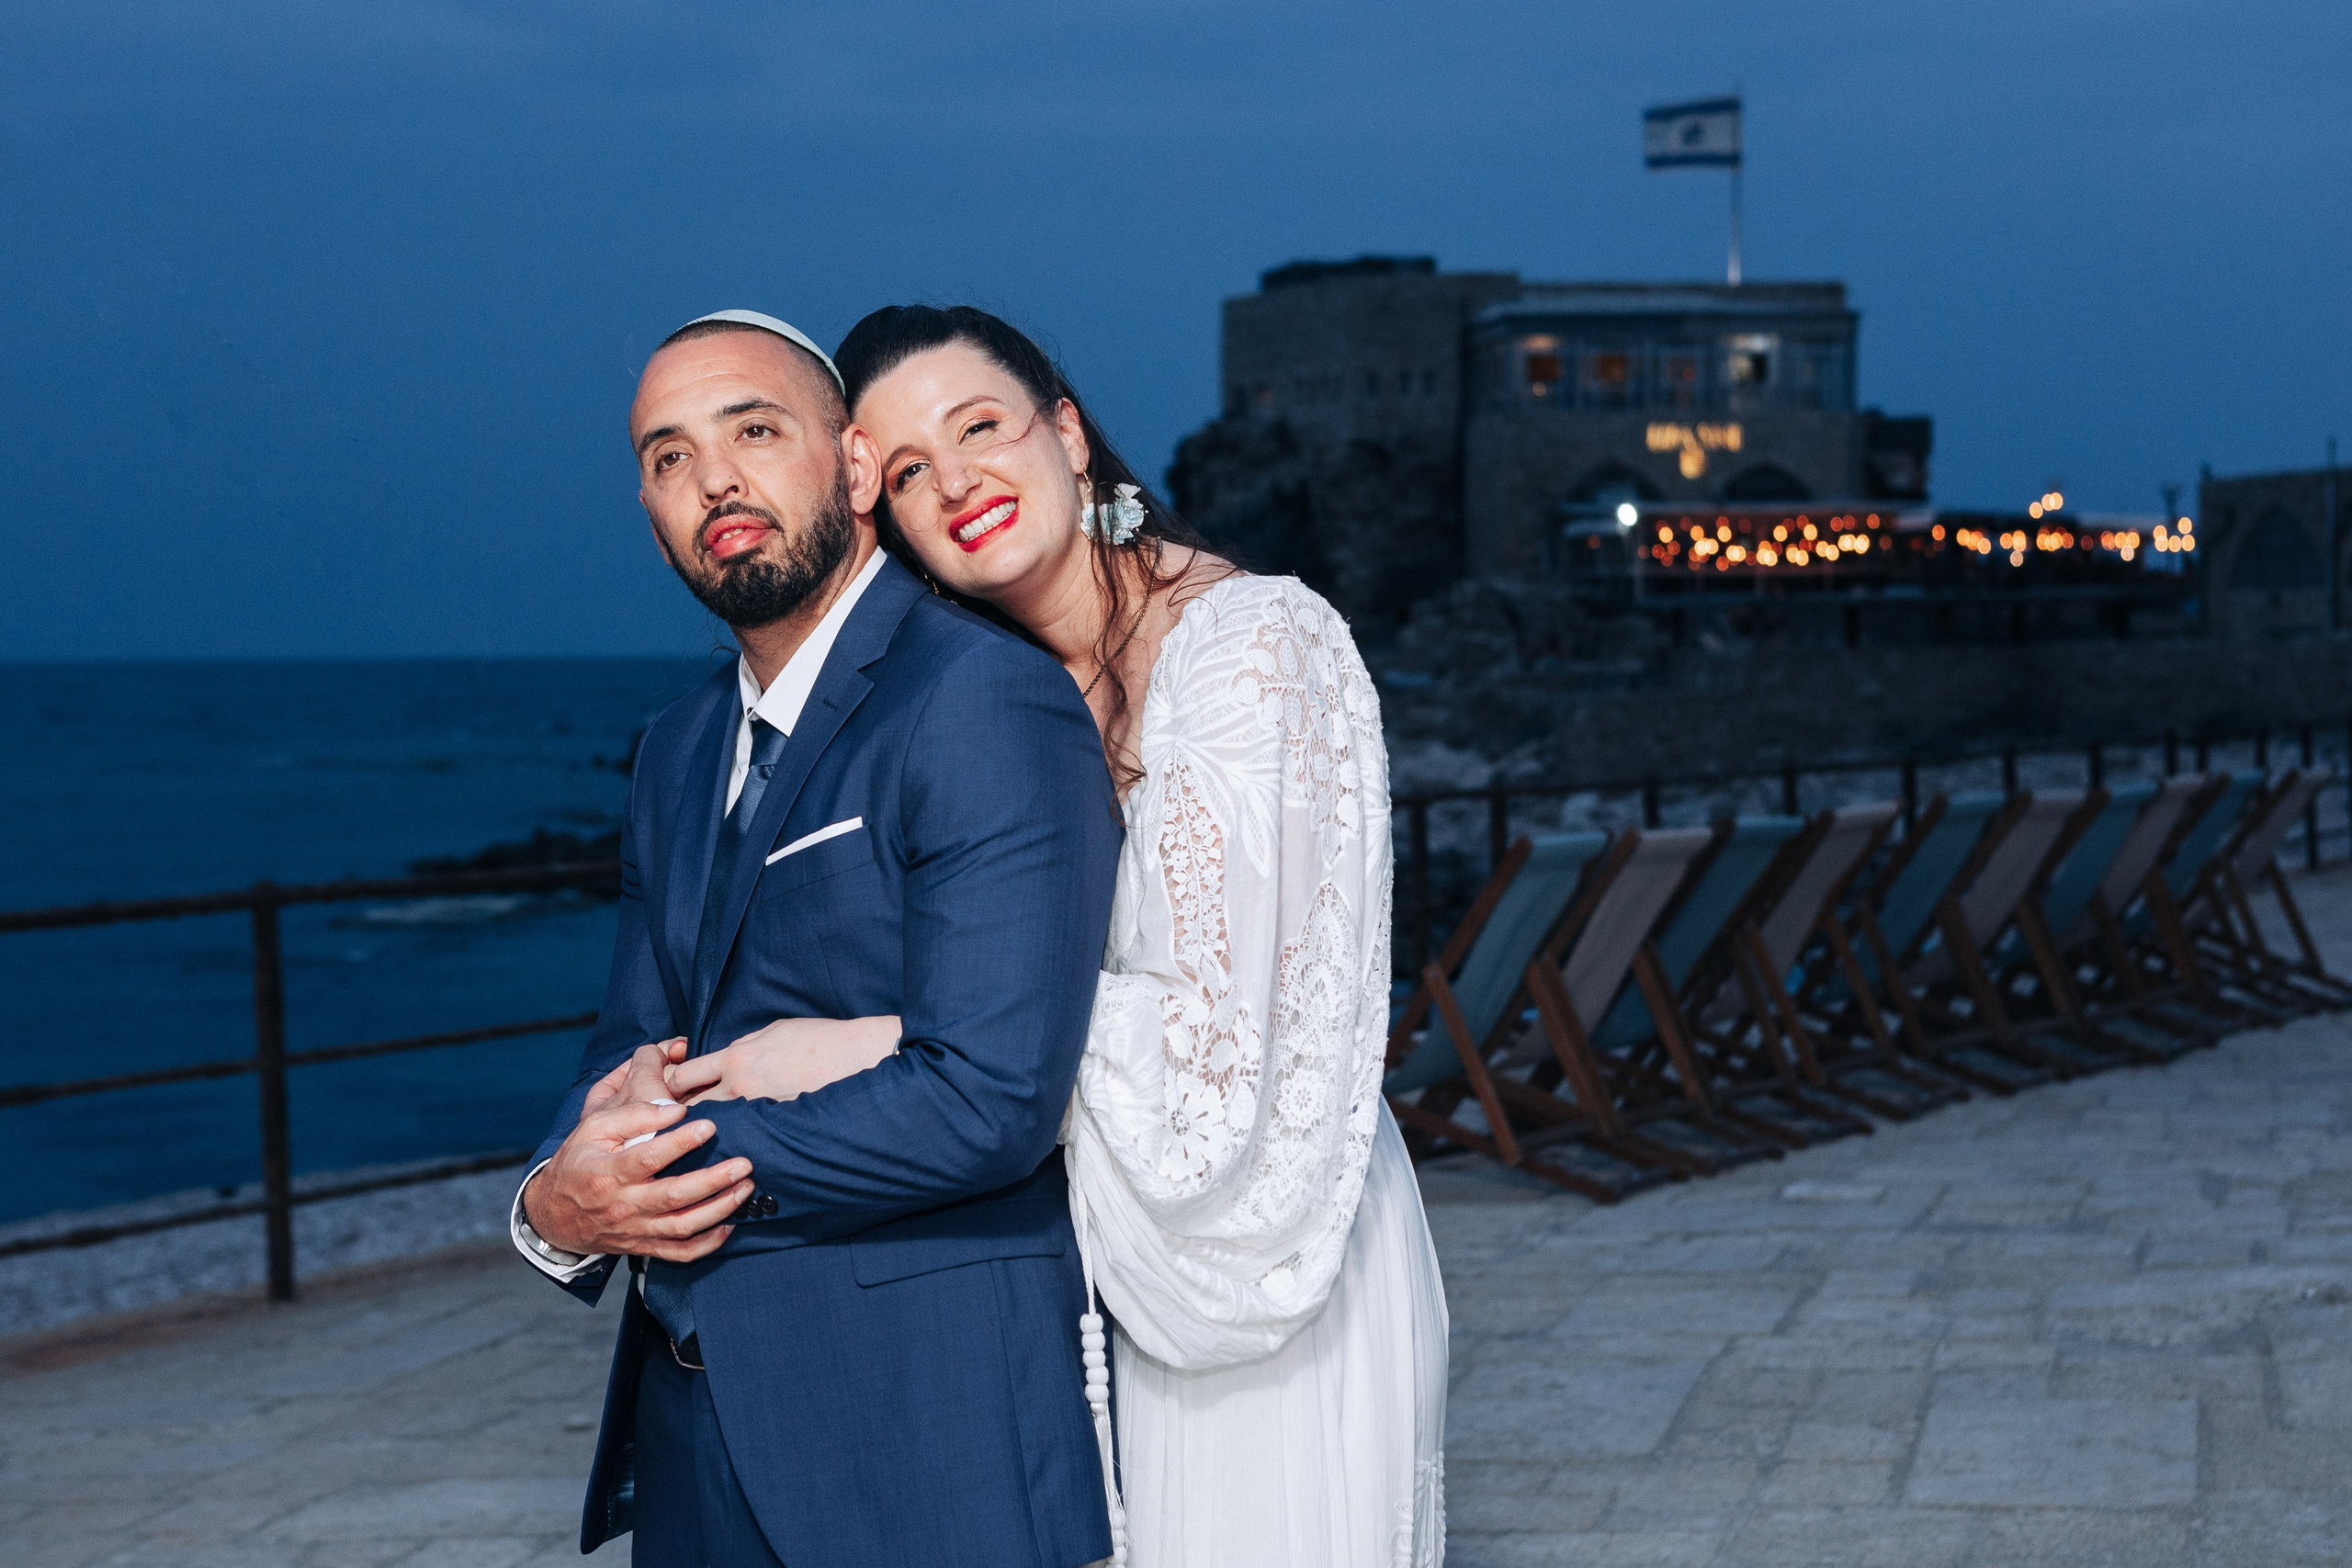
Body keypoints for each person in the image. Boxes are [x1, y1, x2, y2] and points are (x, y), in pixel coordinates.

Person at [672, 305, 1451, 1566]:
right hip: (1098, 1264)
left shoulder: (1256, 647)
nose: (956, 482)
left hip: (1274, 1250)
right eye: (908, 470)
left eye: (979, 427)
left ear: (1069, 435)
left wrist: (889, 1043)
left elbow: (1223, 1055)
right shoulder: (996, 700)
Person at [508, 308, 1124, 1568]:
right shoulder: (676, 750)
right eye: (669, 456)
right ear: (650, 513)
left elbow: (991, 1097)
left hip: (920, 1425)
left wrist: (663, 1174)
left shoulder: (980, 695)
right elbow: (633, 1047)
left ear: (851, 468)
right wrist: (555, 1200)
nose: (713, 479)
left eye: (753, 431)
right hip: (691, 1436)